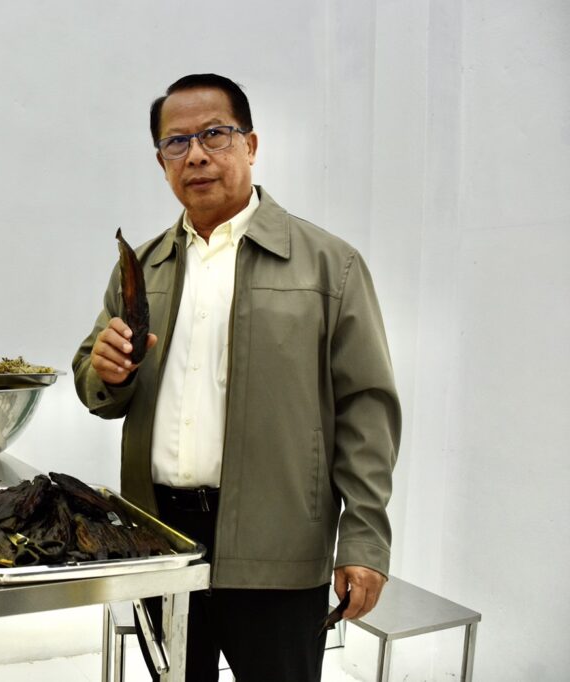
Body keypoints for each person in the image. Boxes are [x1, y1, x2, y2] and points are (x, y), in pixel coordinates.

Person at [72, 74, 401, 682]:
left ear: (250, 145)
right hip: (160, 538)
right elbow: (96, 383)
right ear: (161, 162)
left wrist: (363, 539)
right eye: (176, 142)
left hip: (279, 546)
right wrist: (106, 371)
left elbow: (366, 410)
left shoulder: (329, 265)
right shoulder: (141, 267)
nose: (196, 154)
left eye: (215, 135)